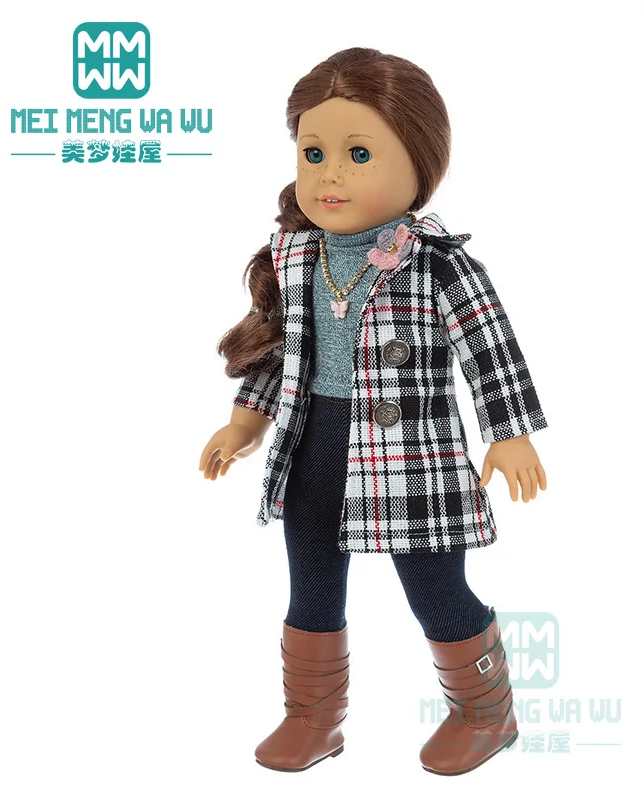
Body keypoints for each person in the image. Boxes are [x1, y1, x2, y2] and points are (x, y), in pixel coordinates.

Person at [199, 47, 548, 776]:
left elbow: (490, 348)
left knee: (434, 588)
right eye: (314, 153)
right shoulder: (296, 255)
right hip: (311, 448)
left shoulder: (438, 262)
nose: (331, 175)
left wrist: (508, 432)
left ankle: (486, 713)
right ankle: (313, 717)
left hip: (410, 460)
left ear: (421, 161)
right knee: (311, 587)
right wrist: (244, 422)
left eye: (359, 154)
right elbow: (279, 351)